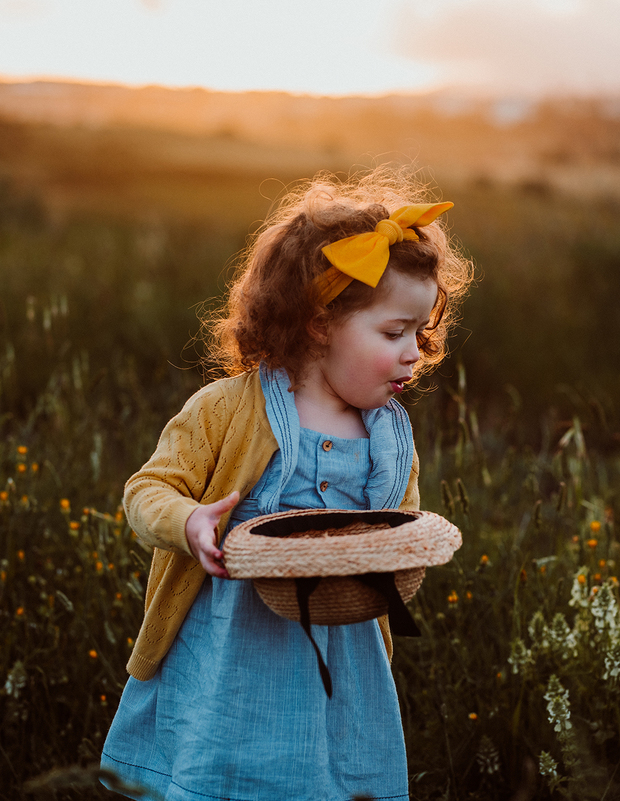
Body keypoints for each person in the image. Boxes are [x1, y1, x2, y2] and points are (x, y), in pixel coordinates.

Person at [100, 168, 473, 801]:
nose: (414, 352)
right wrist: (190, 522)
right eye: (392, 333)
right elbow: (146, 492)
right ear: (320, 324)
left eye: (419, 332)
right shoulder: (227, 408)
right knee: (225, 778)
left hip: (343, 660)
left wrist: (402, 556)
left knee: (327, 780)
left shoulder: (389, 434)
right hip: (230, 656)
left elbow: (399, 529)